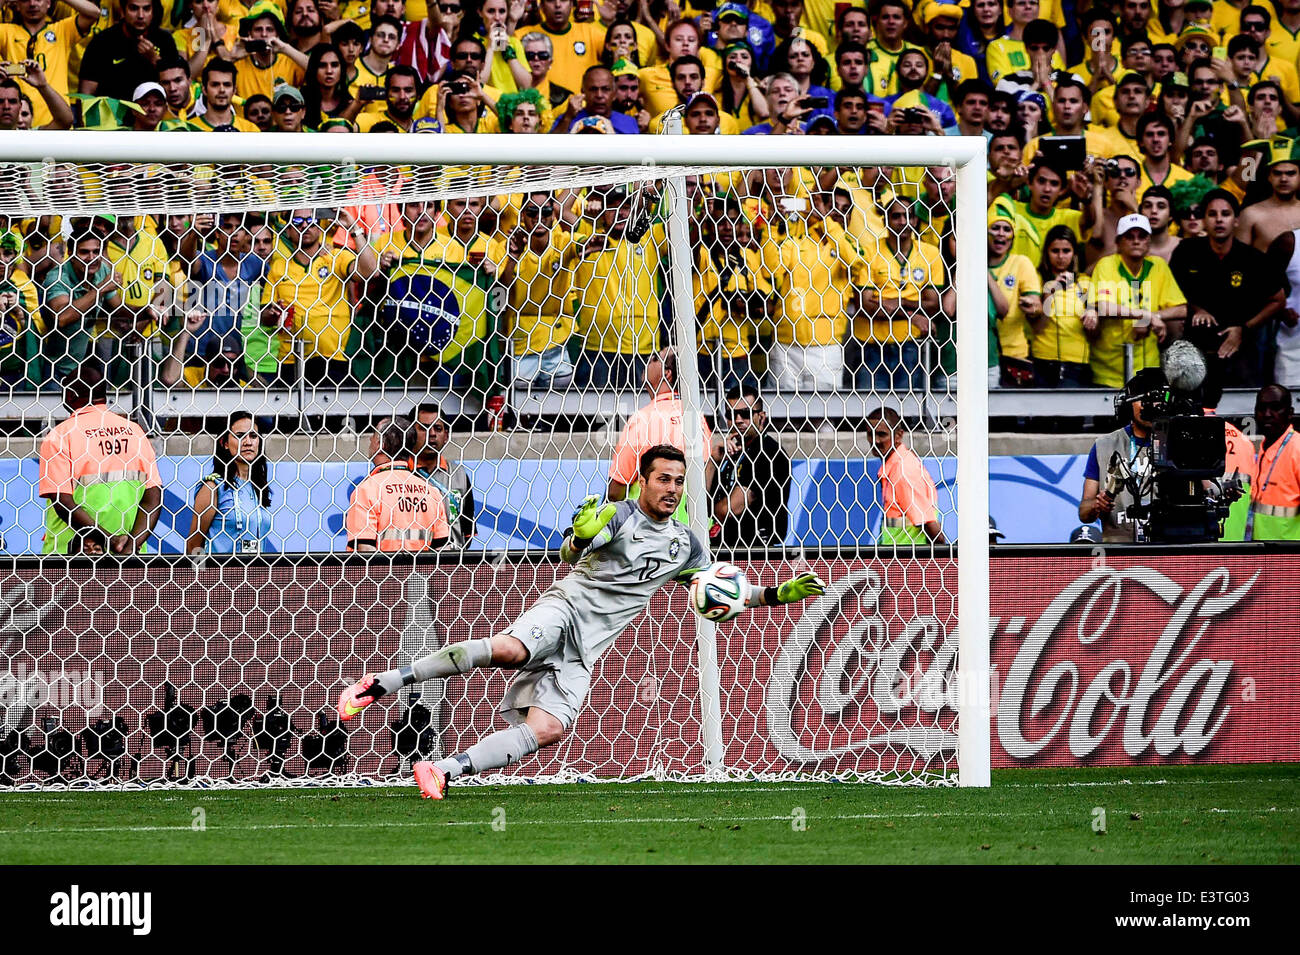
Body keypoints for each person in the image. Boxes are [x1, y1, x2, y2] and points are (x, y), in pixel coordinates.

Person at [335, 443, 827, 799]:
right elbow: (574, 550)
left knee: (547, 730)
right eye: (663, 479)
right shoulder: (617, 515)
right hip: (564, 609)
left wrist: (777, 594)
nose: (672, 488)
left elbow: (716, 595)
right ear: (642, 479)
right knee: (510, 650)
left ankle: (441, 771)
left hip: (587, 648)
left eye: (679, 481)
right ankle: (380, 683)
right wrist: (578, 536)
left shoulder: (686, 544)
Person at [37, 362, 161, 555]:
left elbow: (63, 503)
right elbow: (152, 499)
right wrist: (131, 545)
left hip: (70, 558)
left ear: (71, 395)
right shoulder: (135, 432)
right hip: (128, 560)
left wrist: (110, 541)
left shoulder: (60, 435)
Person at [1170, 190, 1285, 390]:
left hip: (1242, 352)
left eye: (1225, 214)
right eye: (1212, 214)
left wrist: (1244, 328)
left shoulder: (1252, 258)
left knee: (1240, 411)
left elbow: (1278, 300)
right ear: (1204, 220)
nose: (1219, 220)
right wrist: (1197, 308)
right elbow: (1171, 291)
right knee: (1194, 414)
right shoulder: (1186, 251)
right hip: (1195, 351)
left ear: (1236, 220)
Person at [606, 347, 710, 522]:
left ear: (667, 373)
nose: (648, 360)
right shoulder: (697, 418)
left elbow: (616, 491)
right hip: (690, 530)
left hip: (646, 528)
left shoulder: (643, 418)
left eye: (654, 358)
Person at [1088, 213, 1187, 390]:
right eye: (1129, 236)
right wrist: (1144, 315)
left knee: (1146, 417)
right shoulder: (1106, 264)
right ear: (1118, 243)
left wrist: (1151, 317)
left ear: (1149, 242)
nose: (1136, 241)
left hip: (1147, 367)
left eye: (1142, 236)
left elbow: (1181, 309)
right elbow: (1103, 306)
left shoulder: (1158, 266)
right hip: (1108, 368)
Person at [1078, 368, 1162, 542]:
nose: (1149, 405)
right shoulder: (1104, 445)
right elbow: (1084, 513)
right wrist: (1097, 504)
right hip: (1119, 552)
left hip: (1168, 549)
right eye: (1142, 398)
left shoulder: (1179, 441)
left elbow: (1211, 493)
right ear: (1128, 404)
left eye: (1154, 399)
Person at [345, 416, 450, 552]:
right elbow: (444, 550)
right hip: (422, 573)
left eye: (374, 435)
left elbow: (365, 550)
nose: (370, 439)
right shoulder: (431, 492)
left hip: (383, 573)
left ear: (381, 444)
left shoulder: (368, 490)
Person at [706, 384, 790, 552]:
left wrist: (709, 512)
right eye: (731, 414)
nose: (738, 420)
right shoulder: (730, 451)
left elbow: (730, 509)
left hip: (754, 551)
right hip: (721, 548)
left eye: (745, 414)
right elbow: (695, 503)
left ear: (761, 417)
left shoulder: (768, 452)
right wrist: (713, 461)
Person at [186, 412, 273, 555]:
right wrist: (202, 576)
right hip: (220, 576)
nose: (248, 442)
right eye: (239, 436)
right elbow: (193, 545)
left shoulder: (257, 487)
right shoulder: (213, 487)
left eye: (253, 436)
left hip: (256, 576)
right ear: (225, 443)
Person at [868, 408, 945, 545]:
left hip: (909, 560)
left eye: (881, 434)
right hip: (898, 557)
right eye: (871, 434)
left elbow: (932, 529)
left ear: (898, 435)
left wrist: (939, 562)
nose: (876, 441)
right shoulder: (894, 466)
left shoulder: (903, 471)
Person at [77, 0, 179, 101]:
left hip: (152, 113)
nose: (140, 15)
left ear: (153, 12)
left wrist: (155, 60)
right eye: (134, 8)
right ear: (122, 11)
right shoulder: (102, 42)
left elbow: (175, 87)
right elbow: (86, 94)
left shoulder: (165, 40)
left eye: (146, 9)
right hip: (112, 113)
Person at [409, 402, 475, 548]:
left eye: (438, 429)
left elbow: (467, 533)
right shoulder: (400, 474)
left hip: (451, 564)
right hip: (411, 563)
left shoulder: (459, 476)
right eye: (424, 428)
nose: (432, 434)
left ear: (446, 435)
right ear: (410, 434)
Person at [1248, 384, 1300, 539]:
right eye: (1262, 408)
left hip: (1290, 555)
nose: (1267, 414)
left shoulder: (1297, 449)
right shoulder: (1262, 449)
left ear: (1290, 413)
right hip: (1263, 553)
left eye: (1275, 408)